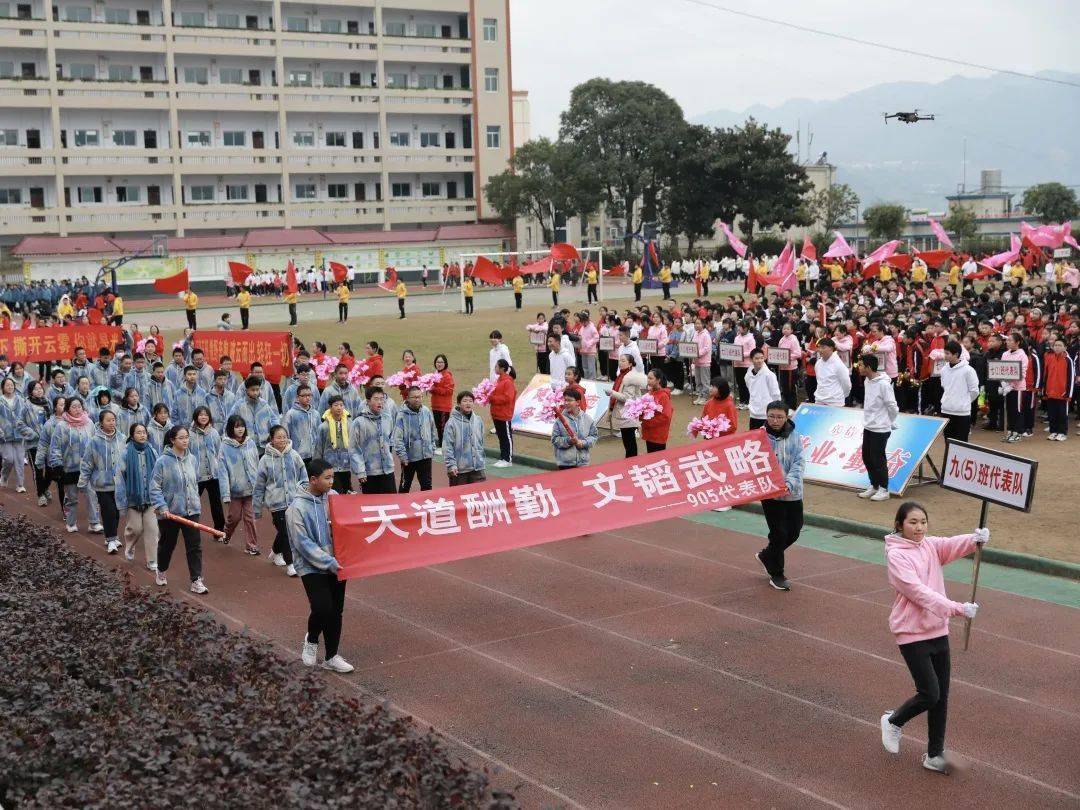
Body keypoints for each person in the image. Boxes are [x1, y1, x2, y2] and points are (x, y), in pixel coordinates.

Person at [880, 502, 986, 774]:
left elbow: (950, 545)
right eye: (913, 522)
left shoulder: (929, 545)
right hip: (911, 633)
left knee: (942, 697)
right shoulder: (897, 556)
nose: (919, 527)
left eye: (923, 522)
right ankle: (893, 721)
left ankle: (934, 754)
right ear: (899, 525)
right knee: (930, 693)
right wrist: (957, 608)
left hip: (937, 630)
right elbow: (918, 592)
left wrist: (974, 539)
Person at [288, 458, 353, 672]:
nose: (332, 482)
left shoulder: (333, 498)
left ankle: (332, 656)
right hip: (311, 566)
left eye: (332, 477)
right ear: (313, 480)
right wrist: (328, 561)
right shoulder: (296, 508)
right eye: (327, 478)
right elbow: (303, 543)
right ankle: (312, 638)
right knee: (322, 607)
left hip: (337, 562)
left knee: (336, 610)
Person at [149, 425, 208, 594]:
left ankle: (196, 580)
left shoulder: (192, 459)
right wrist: (162, 507)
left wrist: (195, 501)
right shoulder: (162, 461)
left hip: (191, 511)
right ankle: (161, 569)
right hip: (170, 513)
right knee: (167, 545)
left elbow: (194, 483)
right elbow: (154, 488)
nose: (185, 441)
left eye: (187, 437)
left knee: (194, 546)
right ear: (172, 440)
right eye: (181, 438)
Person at [755, 401, 805, 590]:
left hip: (792, 492)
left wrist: (789, 483)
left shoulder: (795, 436)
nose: (775, 421)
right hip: (770, 494)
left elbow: (799, 462)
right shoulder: (758, 437)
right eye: (771, 416)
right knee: (779, 533)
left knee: (794, 531)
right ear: (766, 416)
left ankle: (767, 555)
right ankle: (777, 573)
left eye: (779, 417)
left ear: (787, 417)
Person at [254, 424, 306, 577]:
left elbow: (303, 476)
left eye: (284, 437)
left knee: (287, 531)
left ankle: (276, 551)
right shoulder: (265, 460)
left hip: (294, 501)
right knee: (286, 532)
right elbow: (259, 485)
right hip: (276, 504)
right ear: (272, 439)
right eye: (278, 437)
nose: (282, 440)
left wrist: (303, 494)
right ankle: (291, 564)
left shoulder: (295, 455)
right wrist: (256, 509)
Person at [49, 397, 103, 534]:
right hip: (69, 468)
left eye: (79, 406)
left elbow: (96, 443)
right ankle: (71, 522)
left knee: (91, 494)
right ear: (68, 409)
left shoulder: (89, 423)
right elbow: (55, 446)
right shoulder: (62, 426)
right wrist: (57, 464)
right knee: (71, 497)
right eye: (74, 407)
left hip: (87, 468)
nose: (77, 409)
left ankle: (94, 523)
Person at [77, 408, 125, 554]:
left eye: (113, 420)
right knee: (108, 510)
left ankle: (113, 535)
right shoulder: (94, 441)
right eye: (108, 420)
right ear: (101, 423)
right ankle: (111, 540)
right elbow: (87, 463)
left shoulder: (122, 438)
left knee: (117, 512)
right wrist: (82, 481)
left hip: (119, 483)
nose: (112, 423)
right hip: (102, 484)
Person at [116, 422, 159, 570]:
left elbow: (159, 474)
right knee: (135, 529)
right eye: (139, 432)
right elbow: (120, 478)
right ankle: (130, 546)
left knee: (152, 529)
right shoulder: (126, 453)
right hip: (132, 498)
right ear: (132, 436)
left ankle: (152, 560)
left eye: (144, 432)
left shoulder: (152, 451)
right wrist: (121, 501)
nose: (142, 435)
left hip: (150, 499)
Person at [859, 354, 899, 502]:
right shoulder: (867, 381)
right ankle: (874, 485)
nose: (859, 367)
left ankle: (884, 488)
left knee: (878, 458)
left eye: (861, 365)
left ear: (869, 367)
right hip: (868, 426)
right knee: (867, 457)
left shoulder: (884, 384)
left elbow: (892, 406)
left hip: (881, 428)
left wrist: (889, 421)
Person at [350, 386, 395, 495]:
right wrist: (360, 471)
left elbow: (390, 441)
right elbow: (354, 449)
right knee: (372, 507)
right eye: (376, 399)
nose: (380, 402)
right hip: (369, 473)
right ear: (368, 401)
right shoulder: (358, 422)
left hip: (388, 470)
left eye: (382, 399)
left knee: (392, 504)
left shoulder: (387, 419)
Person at [393, 385, 437, 492]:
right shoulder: (402, 415)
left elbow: (432, 431)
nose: (417, 399)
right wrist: (403, 456)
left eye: (420, 396)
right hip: (409, 458)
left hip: (425, 456)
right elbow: (397, 438)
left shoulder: (426, 411)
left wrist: (432, 447)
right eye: (414, 397)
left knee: (427, 486)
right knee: (405, 486)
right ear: (407, 398)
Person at [938, 340, 980, 443]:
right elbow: (944, 387)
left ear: (956, 354)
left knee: (961, 444)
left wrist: (963, 402)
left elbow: (974, 391)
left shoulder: (968, 370)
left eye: (947, 353)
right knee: (948, 441)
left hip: (962, 413)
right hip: (946, 410)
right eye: (945, 352)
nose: (945, 356)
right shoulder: (944, 370)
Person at [443, 391, 486, 486]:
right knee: (458, 498)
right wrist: (451, 465)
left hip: (477, 468)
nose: (468, 403)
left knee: (479, 497)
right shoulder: (451, 423)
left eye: (471, 401)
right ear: (458, 403)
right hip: (459, 470)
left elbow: (481, 442)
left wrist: (481, 460)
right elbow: (447, 446)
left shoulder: (478, 420)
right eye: (465, 401)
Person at [608, 354, 647, 458]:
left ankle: (631, 464)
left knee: (629, 443)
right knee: (628, 442)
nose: (620, 362)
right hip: (626, 413)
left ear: (630, 364)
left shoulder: (629, 377)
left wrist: (612, 393)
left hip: (628, 413)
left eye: (623, 361)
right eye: (620, 360)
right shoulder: (622, 375)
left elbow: (627, 398)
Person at [0, 376, 33, 492]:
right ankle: (4, 476)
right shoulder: (0, 400)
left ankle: (20, 485)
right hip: (4, 436)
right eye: (7, 385)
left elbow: (27, 415)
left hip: (19, 434)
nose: (10, 387)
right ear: (3, 387)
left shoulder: (20, 399)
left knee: (19, 460)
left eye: (11, 385)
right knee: (9, 459)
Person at [551, 389, 598, 469]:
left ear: (578, 402)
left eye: (569, 400)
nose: (566, 403)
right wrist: (569, 441)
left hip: (583, 463)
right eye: (565, 400)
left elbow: (594, 436)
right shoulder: (559, 421)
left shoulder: (588, 419)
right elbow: (555, 440)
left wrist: (583, 443)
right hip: (565, 464)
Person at [317, 395, 352, 495]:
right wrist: (318, 466)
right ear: (330, 407)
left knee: (347, 492)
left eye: (341, 405)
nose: (339, 407)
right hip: (330, 466)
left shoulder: (350, 424)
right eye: (336, 405)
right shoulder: (323, 427)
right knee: (334, 493)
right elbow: (319, 447)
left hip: (346, 465)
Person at [24, 381, 51, 506]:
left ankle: (45, 487)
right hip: (34, 443)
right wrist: (33, 434)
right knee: (38, 470)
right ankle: (41, 494)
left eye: (40, 388)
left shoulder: (47, 402)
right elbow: (19, 423)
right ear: (31, 391)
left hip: (49, 442)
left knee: (51, 469)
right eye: (35, 389)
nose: (39, 390)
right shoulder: (26, 405)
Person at [1041, 339, 1074, 441]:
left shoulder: (1068, 360)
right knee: (1052, 414)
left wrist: (1068, 393)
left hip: (1063, 393)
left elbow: (1071, 378)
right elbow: (1046, 375)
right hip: (1050, 392)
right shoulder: (1049, 358)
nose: (1057, 347)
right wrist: (1044, 390)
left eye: (1060, 345)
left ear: (1065, 347)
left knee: (1062, 414)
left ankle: (1062, 433)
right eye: (1055, 345)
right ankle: (1053, 431)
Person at [489, 359, 516, 468]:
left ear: (502, 368)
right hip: (496, 413)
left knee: (506, 437)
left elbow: (507, 398)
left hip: (504, 413)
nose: (495, 368)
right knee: (501, 437)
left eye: (496, 366)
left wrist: (492, 398)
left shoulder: (508, 382)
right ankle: (503, 457)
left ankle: (508, 459)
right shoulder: (498, 380)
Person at [745, 349, 781, 430]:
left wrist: (775, 410)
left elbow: (775, 394)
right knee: (754, 438)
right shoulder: (748, 375)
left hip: (766, 413)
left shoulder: (769, 375)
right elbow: (749, 389)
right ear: (751, 359)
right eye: (757, 358)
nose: (759, 361)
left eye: (761, 358)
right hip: (753, 413)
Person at [640, 368, 673, 452]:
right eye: (648, 378)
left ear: (658, 380)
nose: (648, 380)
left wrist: (647, 421)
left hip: (658, 434)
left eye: (651, 378)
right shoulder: (650, 393)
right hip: (649, 432)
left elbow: (666, 417)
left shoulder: (663, 396)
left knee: (658, 460)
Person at [812, 337, 851, 407]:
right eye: (819, 347)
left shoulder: (838, 364)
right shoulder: (818, 363)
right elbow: (819, 380)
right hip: (819, 400)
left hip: (835, 402)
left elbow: (846, 384)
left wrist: (841, 395)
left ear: (831, 348)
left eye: (823, 347)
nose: (820, 350)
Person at [429, 354, 455, 454]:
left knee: (444, 428)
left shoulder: (447, 375)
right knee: (438, 427)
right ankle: (441, 445)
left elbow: (449, 391)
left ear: (445, 363)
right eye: (437, 362)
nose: (439, 364)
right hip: (435, 405)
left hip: (444, 407)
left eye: (441, 362)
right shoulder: (435, 374)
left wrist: (434, 389)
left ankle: (444, 447)